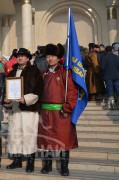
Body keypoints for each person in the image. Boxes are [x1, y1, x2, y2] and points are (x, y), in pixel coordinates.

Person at [37, 43, 78, 176]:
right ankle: (47, 164)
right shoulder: (43, 74)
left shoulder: (66, 73)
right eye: (48, 56)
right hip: (46, 112)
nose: (50, 59)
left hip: (61, 112)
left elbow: (72, 92)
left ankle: (64, 165)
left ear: (58, 57)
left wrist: (67, 108)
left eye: (53, 56)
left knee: (64, 139)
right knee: (47, 139)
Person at [5, 48, 44, 173]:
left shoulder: (35, 71)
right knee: (15, 134)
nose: (20, 58)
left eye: (22, 56)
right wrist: (6, 99)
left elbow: (38, 90)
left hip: (29, 108)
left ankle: (30, 161)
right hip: (15, 109)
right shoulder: (12, 72)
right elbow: (6, 89)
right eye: (18, 56)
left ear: (28, 58)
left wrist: (26, 99)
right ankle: (17, 160)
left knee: (29, 134)